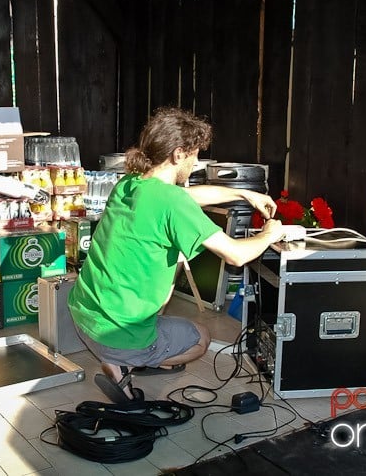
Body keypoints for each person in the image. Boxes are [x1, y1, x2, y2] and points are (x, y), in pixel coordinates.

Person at [67, 107, 285, 403]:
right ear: (178, 154)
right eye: (194, 155)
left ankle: (121, 360)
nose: (195, 164)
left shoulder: (130, 184)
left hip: (84, 317)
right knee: (201, 338)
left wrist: (245, 194)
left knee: (163, 282)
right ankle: (126, 363)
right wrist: (270, 234)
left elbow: (189, 197)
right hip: (119, 336)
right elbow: (235, 254)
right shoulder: (171, 202)